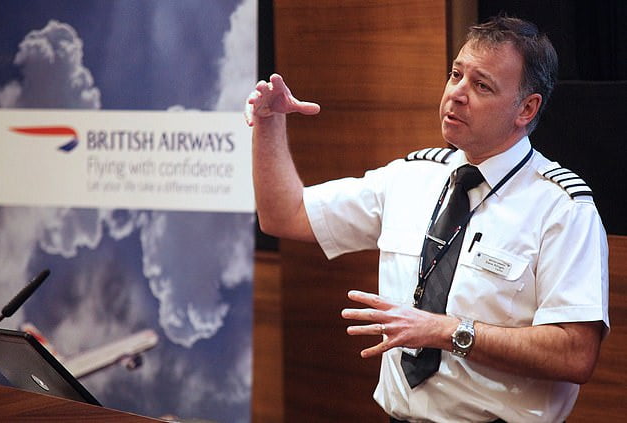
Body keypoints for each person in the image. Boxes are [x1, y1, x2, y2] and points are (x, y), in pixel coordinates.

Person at [245, 16, 609, 423]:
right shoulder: (411, 176)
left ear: (527, 108)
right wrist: (269, 124)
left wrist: (447, 331)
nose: (456, 94)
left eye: (481, 85)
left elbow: (576, 353)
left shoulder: (562, 208)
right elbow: (285, 215)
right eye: (456, 74)